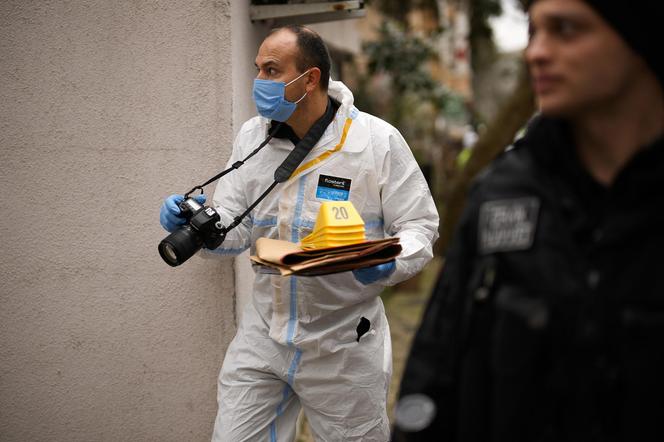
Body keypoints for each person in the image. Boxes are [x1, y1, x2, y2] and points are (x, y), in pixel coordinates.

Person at [394, 1, 664, 441]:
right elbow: (435, 369)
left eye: (566, 29)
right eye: (534, 30)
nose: (536, 51)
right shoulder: (502, 194)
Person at [160, 25, 439, 441]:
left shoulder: (375, 142)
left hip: (342, 342)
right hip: (264, 335)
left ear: (309, 79)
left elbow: (420, 226)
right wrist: (204, 228)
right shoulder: (252, 137)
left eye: (272, 70)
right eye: (257, 70)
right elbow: (238, 222)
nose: (259, 82)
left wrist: (385, 259)